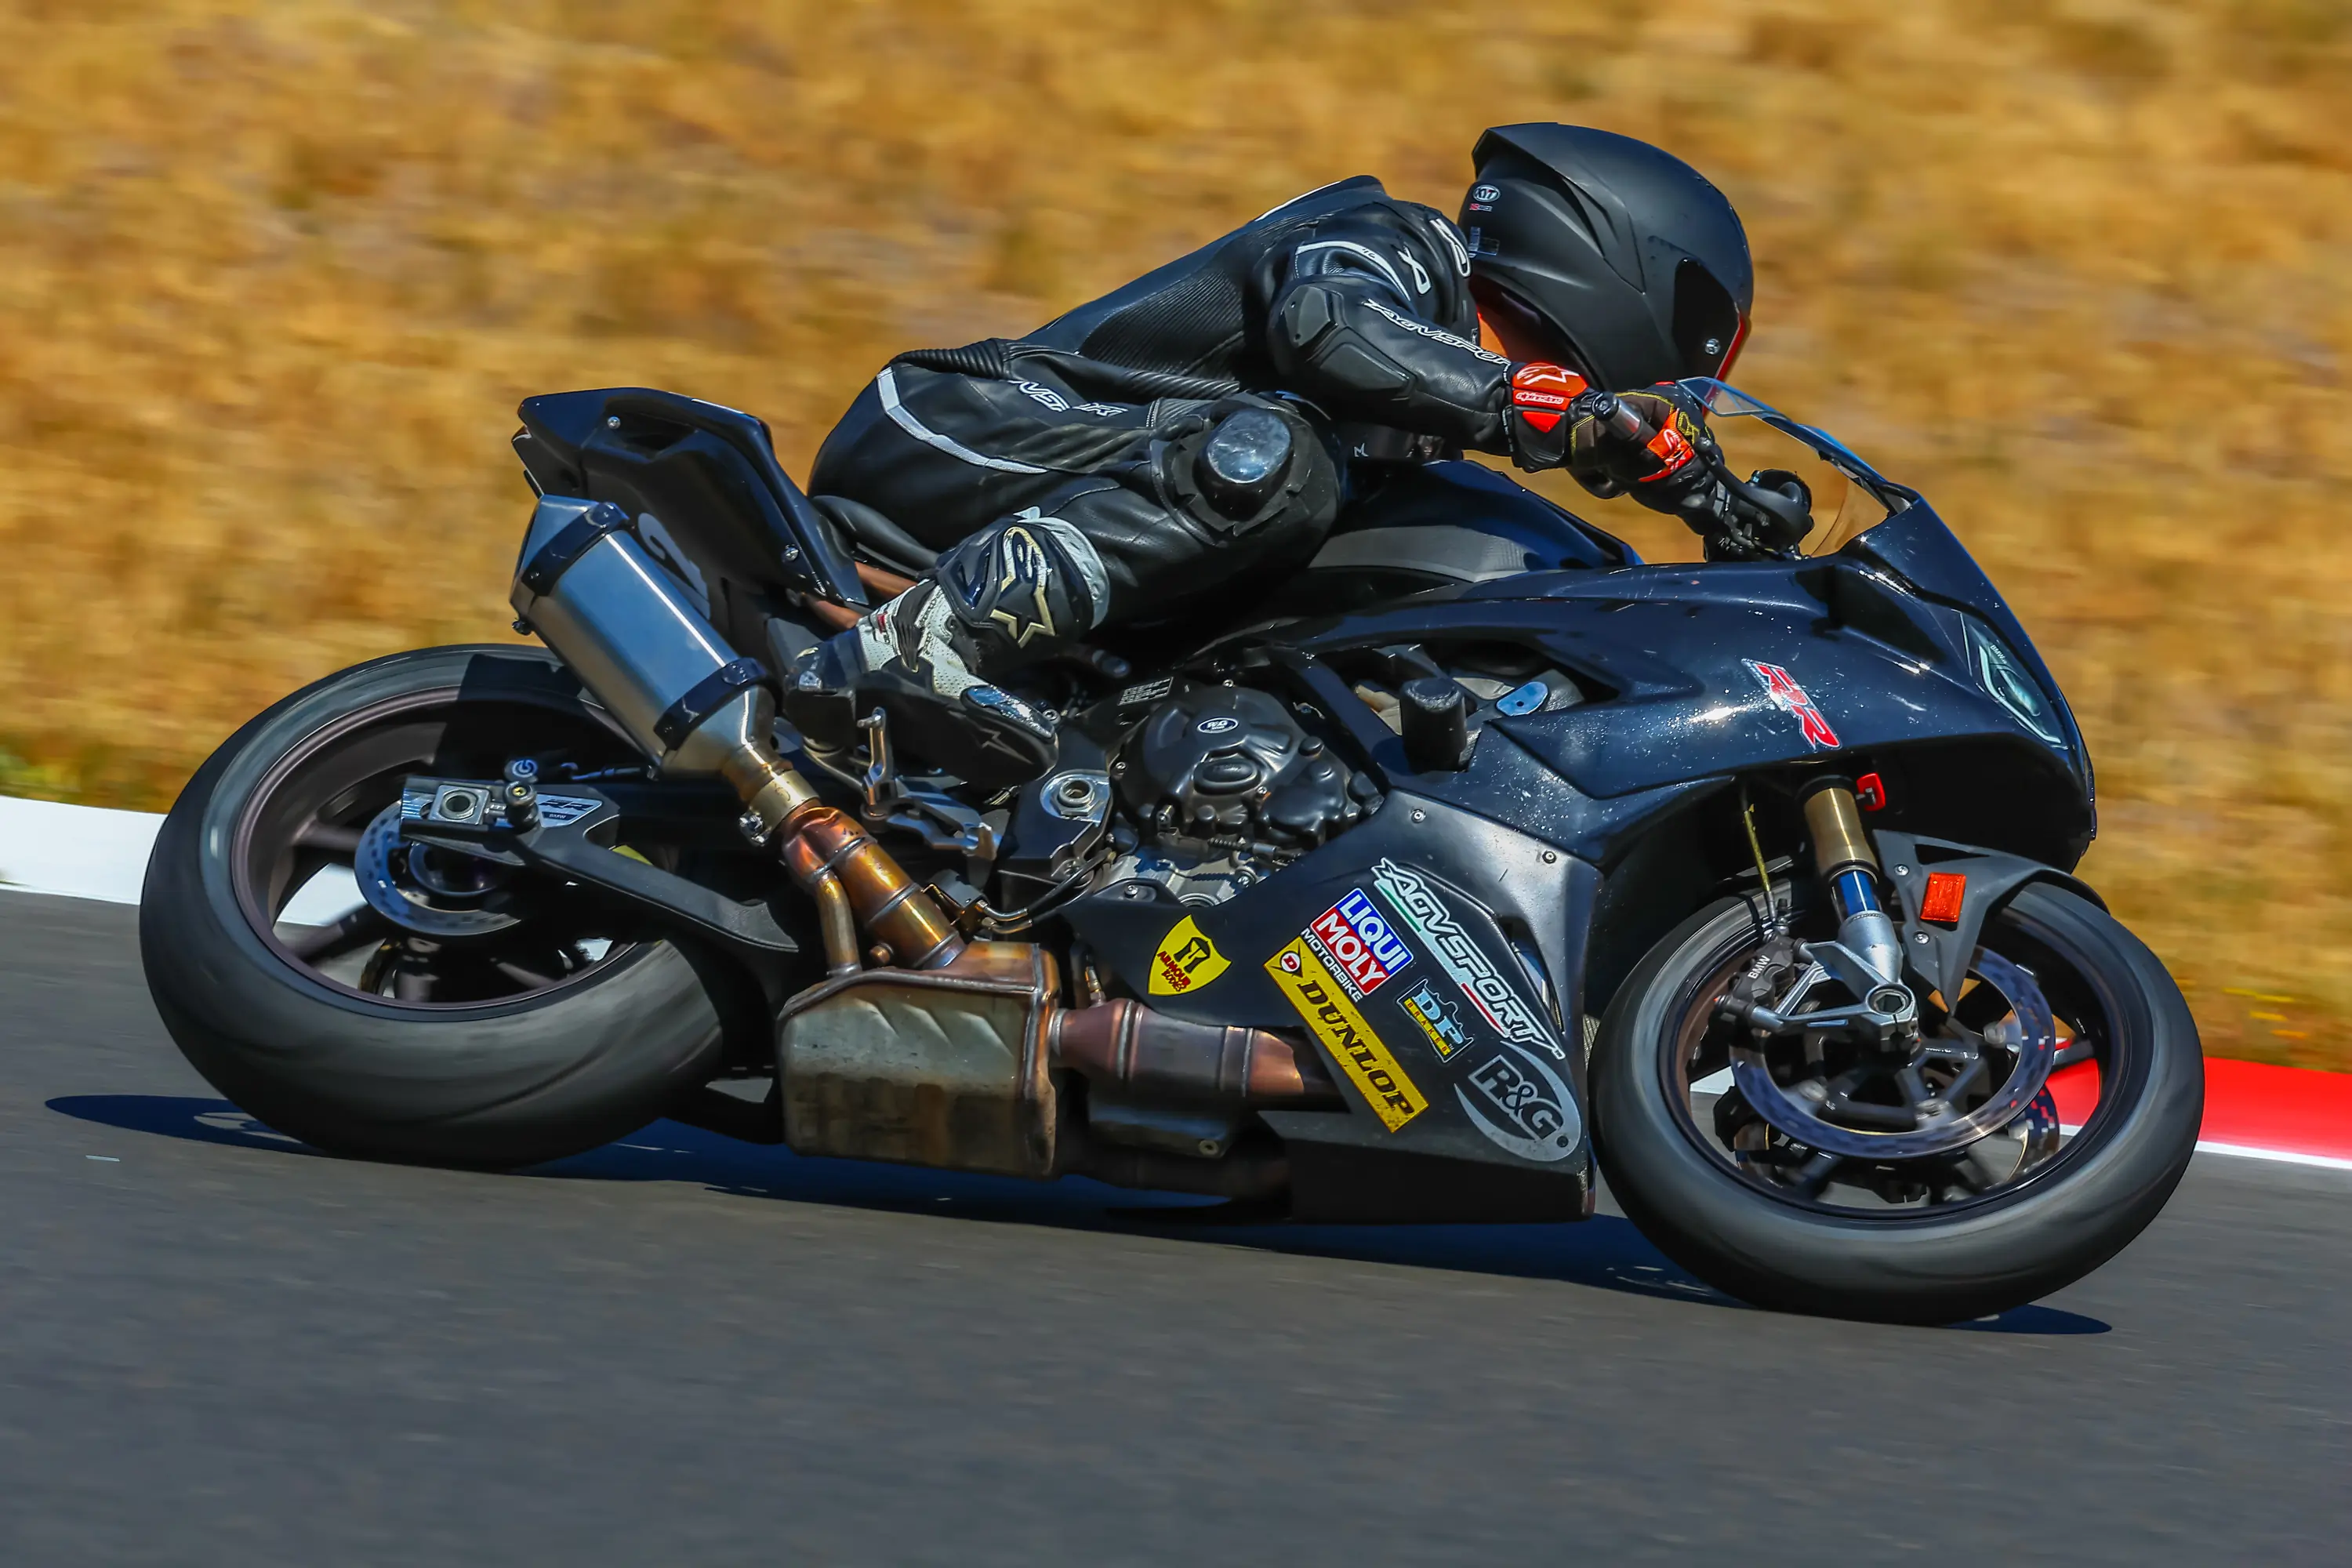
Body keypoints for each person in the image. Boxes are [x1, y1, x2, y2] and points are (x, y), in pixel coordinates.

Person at [785, 122, 1755, 786]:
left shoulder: (1420, 428)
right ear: (1625, 267)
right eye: (1689, 357)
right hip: (967, 429)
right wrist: (1537, 404)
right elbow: (1326, 324)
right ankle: (922, 642)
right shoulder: (1404, 245)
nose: (1668, 396)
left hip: (1058, 497)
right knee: (1280, 463)